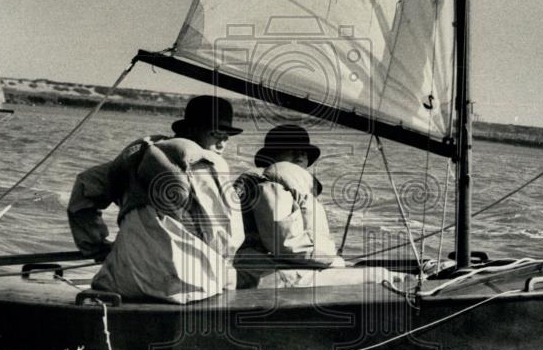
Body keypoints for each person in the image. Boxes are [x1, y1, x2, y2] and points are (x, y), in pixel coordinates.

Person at [71, 95, 246, 304]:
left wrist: (96, 247)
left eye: (227, 135)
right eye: (216, 133)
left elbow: (83, 189)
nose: (223, 142)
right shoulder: (205, 161)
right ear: (192, 130)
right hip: (187, 287)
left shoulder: (136, 156)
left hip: (119, 282)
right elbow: (224, 235)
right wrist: (227, 278)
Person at [233, 124, 346, 288]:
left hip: (272, 262)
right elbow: (286, 245)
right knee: (369, 275)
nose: (300, 155)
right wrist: (328, 255)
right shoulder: (267, 185)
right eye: (291, 149)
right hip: (256, 268)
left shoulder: (288, 183)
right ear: (273, 156)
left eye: (304, 152)